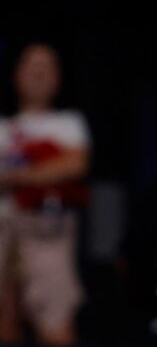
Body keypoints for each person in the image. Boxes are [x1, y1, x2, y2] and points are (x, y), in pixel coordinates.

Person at [0, 43, 90, 347]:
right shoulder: (3, 127)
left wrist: (11, 176)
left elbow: (75, 164)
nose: (38, 71)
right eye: (30, 64)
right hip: (3, 231)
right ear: (15, 74)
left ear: (59, 77)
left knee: (55, 321)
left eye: (47, 65)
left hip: (47, 231)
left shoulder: (68, 123)